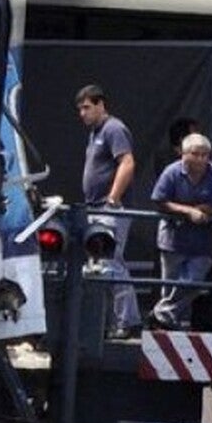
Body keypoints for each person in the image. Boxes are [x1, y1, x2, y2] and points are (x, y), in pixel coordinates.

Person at [75, 84, 139, 338]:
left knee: (111, 263)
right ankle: (115, 320)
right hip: (95, 206)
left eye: (87, 107)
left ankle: (126, 321)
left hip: (109, 208)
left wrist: (113, 198)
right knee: (103, 264)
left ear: (101, 104)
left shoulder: (114, 129)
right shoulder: (95, 133)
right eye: (79, 109)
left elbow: (127, 162)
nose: (82, 113)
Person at [149, 134, 212, 330]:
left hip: (202, 242)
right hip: (173, 239)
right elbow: (159, 200)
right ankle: (172, 324)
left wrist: (203, 211)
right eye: (195, 154)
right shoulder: (172, 172)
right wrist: (188, 211)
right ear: (184, 154)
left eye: (205, 155)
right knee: (170, 286)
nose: (200, 159)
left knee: (193, 282)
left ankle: (160, 314)